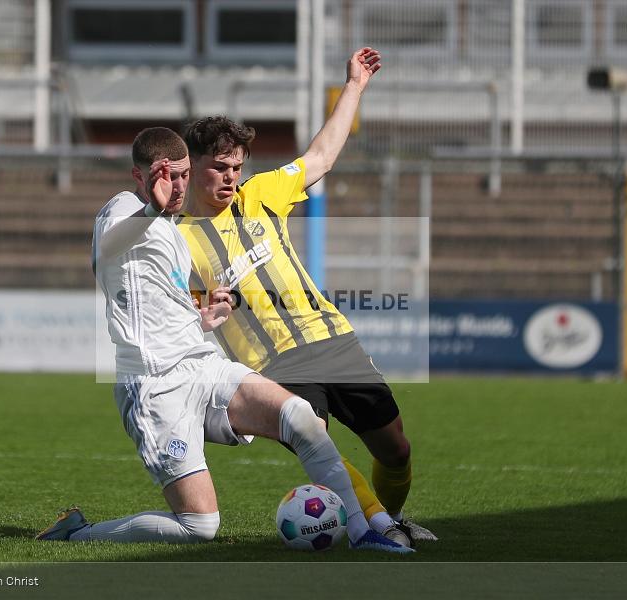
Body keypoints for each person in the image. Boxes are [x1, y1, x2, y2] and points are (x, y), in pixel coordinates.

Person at [35, 126, 410, 553]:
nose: (176, 186)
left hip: (204, 366)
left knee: (302, 418)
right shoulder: (122, 210)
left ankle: (365, 534)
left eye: (181, 175)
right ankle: (79, 531)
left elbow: (158, 304)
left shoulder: (175, 234)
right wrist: (149, 212)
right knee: (200, 526)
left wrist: (202, 318)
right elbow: (108, 247)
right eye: (165, 176)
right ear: (141, 176)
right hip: (156, 388)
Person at [178, 48, 435, 546]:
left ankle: (392, 518)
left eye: (237, 166)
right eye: (219, 167)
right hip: (271, 363)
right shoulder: (176, 237)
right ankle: (378, 528)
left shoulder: (261, 194)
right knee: (318, 442)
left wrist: (355, 87)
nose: (231, 176)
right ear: (192, 168)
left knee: (396, 450)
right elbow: (180, 308)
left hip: (331, 337)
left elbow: (320, 156)